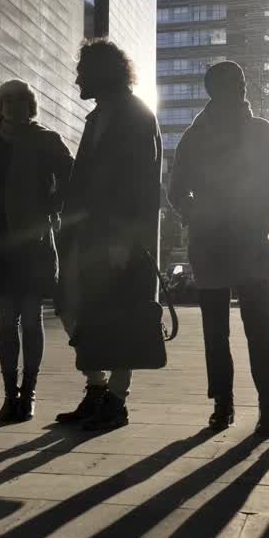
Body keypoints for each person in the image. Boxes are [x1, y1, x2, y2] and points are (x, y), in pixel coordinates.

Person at [167, 61, 269, 435]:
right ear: (214, 90)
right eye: (230, 83)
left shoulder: (241, 131)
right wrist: (198, 215)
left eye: (238, 82)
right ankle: (242, 404)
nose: (238, 88)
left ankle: (249, 404)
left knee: (243, 328)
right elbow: (175, 190)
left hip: (242, 239)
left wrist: (255, 215)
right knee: (236, 328)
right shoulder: (206, 134)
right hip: (221, 241)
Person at [54, 38, 164, 431]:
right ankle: (99, 391)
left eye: (82, 71)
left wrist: (126, 240)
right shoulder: (105, 114)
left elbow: (140, 185)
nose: (77, 78)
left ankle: (115, 400)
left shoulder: (132, 115)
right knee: (82, 310)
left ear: (101, 73)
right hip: (93, 234)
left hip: (116, 238)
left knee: (120, 315)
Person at [0, 80, 73, 422]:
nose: (13, 106)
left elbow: (72, 178)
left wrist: (52, 208)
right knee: (5, 319)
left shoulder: (47, 140)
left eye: (20, 101)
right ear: (0, 105)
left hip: (35, 238)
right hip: (0, 237)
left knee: (30, 317)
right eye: (7, 100)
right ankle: (9, 394)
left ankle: (28, 394)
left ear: (31, 105)